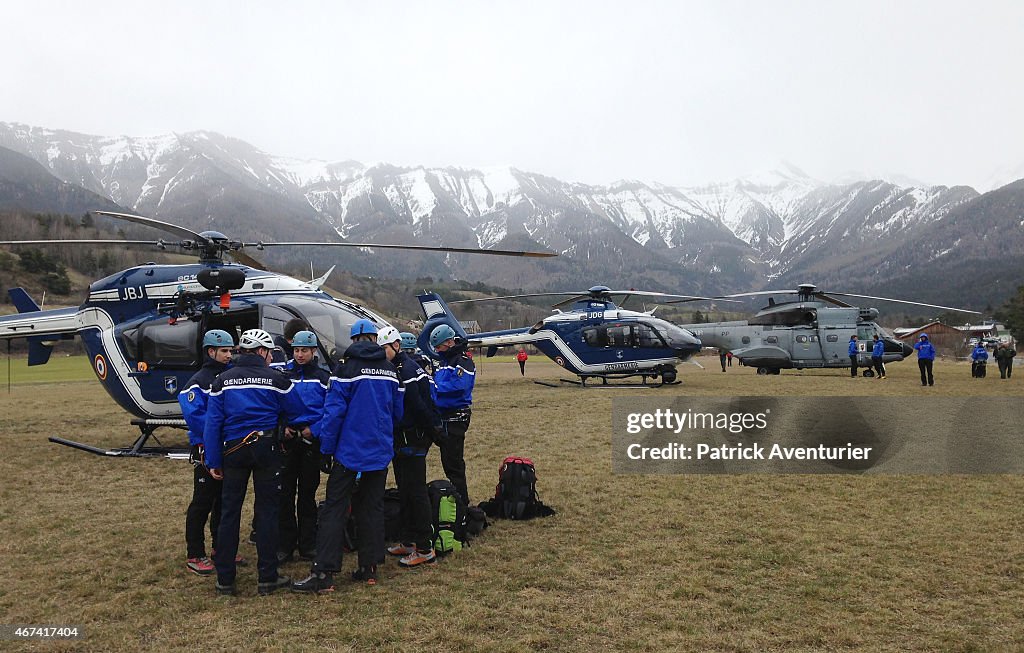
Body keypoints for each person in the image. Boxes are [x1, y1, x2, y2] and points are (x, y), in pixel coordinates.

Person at [292, 319, 403, 593]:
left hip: (349, 451)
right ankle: (370, 566)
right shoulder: (390, 371)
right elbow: (397, 413)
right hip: (379, 451)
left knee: (335, 509)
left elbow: (333, 414)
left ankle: (324, 573)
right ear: (375, 340)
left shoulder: (345, 370)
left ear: (353, 341)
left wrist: (326, 449)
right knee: (372, 507)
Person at [204, 328, 304, 596]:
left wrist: (213, 459)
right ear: (261, 351)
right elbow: (297, 410)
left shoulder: (222, 381)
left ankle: (225, 578)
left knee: (229, 513)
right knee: (267, 511)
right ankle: (267, 577)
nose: (271, 357)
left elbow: (212, 423)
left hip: (232, 450)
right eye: (269, 352)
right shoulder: (276, 379)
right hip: (266, 448)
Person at [380, 326, 443, 568]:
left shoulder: (407, 370)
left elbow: (419, 406)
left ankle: (425, 548)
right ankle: (408, 540)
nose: (382, 353)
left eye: (384, 348)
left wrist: (432, 432)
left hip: (413, 439)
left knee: (416, 492)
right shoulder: (400, 367)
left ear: (396, 346)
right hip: (403, 439)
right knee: (405, 490)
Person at [179, 329, 235, 575]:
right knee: (202, 502)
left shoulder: (230, 377)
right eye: (224, 351)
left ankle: (220, 548)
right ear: (211, 351)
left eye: (231, 350)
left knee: (223, 501)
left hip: (228, 448)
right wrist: (218, 436)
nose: (229, 355)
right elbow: (196, 417)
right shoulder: (197, 382)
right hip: (205, 449)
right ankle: (195, 553)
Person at [272, 330, 330, 564]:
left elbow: (332, 410)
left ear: (313, 351)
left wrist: (314, 430)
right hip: (288, 439)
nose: (299, 355)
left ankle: (308, 543)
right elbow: (274, 403)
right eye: (296, 350)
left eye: (304, 350)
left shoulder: (324, 378)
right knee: (285, 493)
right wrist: (282, 427)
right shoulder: (283, 374)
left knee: (307, 493)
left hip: (310, 441)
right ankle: (286, 544)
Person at [430, 324, 476, 505]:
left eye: (440, 347)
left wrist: (434, 388)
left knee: (454, 464)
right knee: (448, 462)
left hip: (456, 417)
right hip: (443, 416)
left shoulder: (462, 361)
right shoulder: (444, 361)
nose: (437, 351)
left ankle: (462, 503)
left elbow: (459, 386)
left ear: (449, 342)